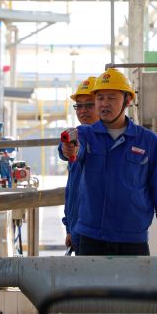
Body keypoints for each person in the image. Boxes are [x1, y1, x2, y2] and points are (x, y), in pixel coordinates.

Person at [60, 68, 157, 256]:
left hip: (132, 238)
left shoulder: (148, 141)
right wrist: (67, 149)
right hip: (91, 237)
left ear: (127, 100)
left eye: (111, 98)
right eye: (100, 98)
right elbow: (72, 148)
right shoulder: (85, 135)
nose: (104, 104)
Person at [60, 76, 99, 255]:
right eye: (79, 106)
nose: (83, 111)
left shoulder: (107, 139)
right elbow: (72, 191)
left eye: (89, 105)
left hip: (99, 234)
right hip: (79, 231)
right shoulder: (76, 136)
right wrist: (69, 228)